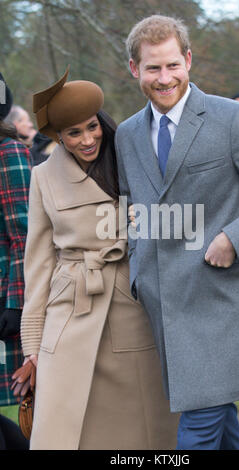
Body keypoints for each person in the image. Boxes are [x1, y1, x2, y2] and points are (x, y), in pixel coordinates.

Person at [115, 15, 239, 450]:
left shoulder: (234, 119)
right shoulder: (125, 135)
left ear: (189, 60)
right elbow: (132, 207)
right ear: (133, 69)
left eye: (173, 65)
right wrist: (136, 263)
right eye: (153, 68)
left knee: (197, 432)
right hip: (163, 309)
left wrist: (236, 238)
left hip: (220, 305)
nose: (165, 78)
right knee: (220, 425)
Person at [19, 68, 179, 450]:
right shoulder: (43, 177)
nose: (87, 139)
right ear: (59, 137)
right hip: (69, 309)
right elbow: (38, 263)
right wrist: (31, 346)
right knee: (61, 428)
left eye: (92, 127)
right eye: (74, 133)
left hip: (130, 306)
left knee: (141, 430)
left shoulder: (132, 157)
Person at [0, 71, 31, 450]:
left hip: (6, 296)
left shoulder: (9, 152)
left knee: (29, 411)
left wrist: (16, 303)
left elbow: (22, 234)